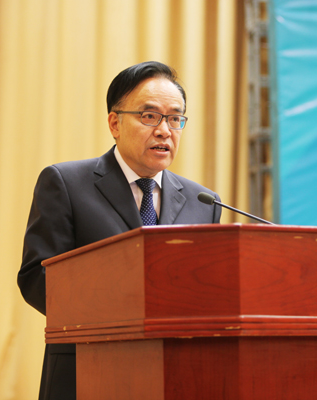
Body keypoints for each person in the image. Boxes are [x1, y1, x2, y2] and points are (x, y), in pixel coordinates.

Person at [17, 61, 222, 400]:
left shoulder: (204, 202)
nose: (164, 130)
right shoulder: (66, 183)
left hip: (175, 376)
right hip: (87, 372)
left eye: (175, 118)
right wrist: (125, 310)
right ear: (115, 123)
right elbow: (37, 280)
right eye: (150, 116)